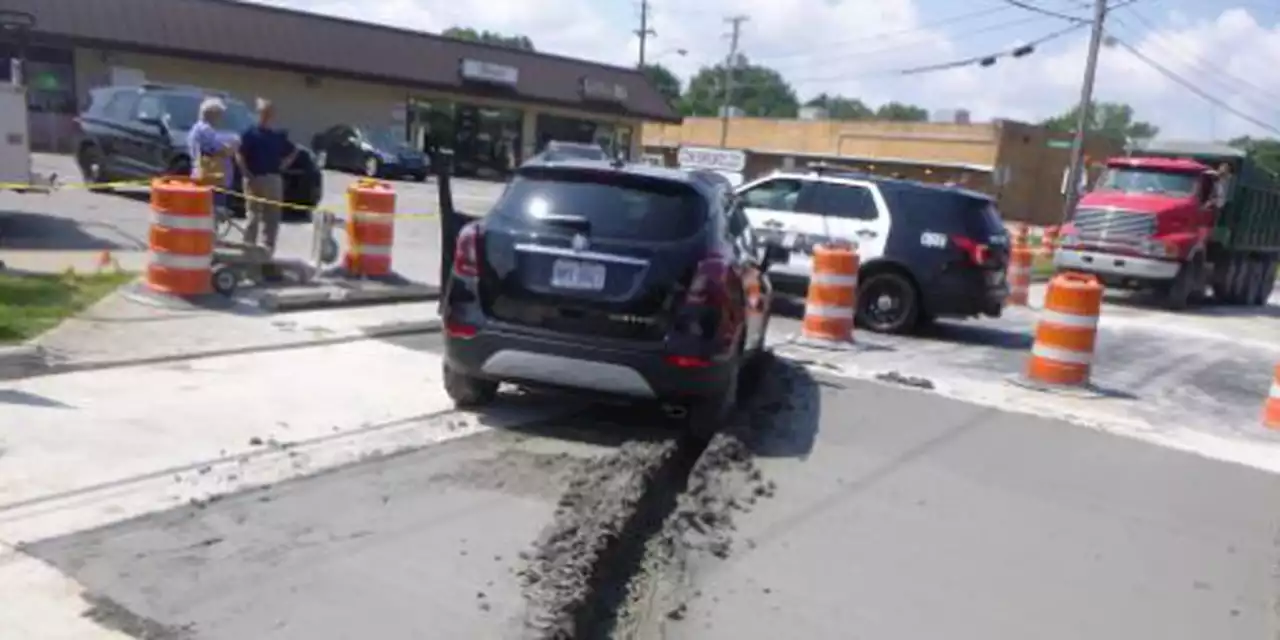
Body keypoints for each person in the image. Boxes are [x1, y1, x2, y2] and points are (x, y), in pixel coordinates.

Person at [236, 98, 297, 256]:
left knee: (272, 218)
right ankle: (248, 250)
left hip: (273, 179)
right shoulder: (250, 133)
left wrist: (283, 165)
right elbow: (239, 153)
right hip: (254, 177)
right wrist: (245, 172)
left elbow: (293, 150)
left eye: (268, 113)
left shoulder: (276, 136)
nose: (265, 116)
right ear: (257, 113)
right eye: (262, 112)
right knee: (253, 216)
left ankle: (267, 252)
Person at [188, 98, 237, 216]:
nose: (221, 118)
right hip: (211, 178)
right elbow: (218, 149)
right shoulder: (205, 130)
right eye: (219, 114)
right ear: (212, 114)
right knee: (211, 216)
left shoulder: (196, 129)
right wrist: (230, 148)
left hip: (204, 176)